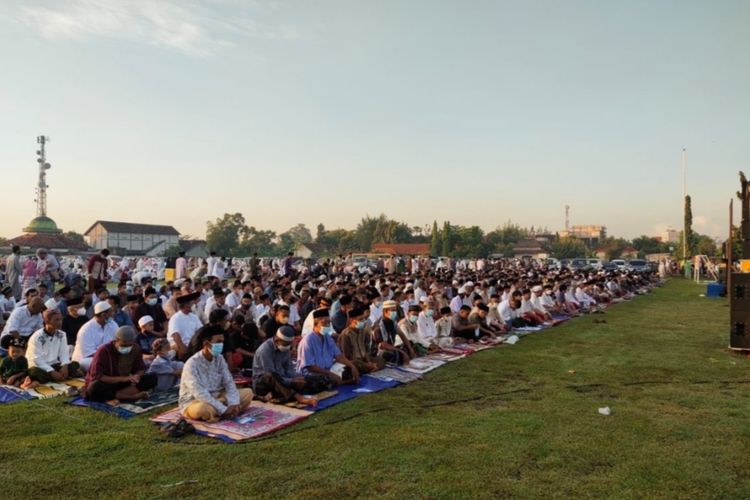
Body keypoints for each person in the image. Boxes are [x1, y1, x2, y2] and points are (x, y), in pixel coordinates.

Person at [178, 325, 254, 422]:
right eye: (218, 342)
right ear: (206, 344)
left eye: (222, 342)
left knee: (248, 393)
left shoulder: (219, 358)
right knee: (204, 409)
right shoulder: (191, 364)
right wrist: (223, 409)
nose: (221, 345)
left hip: (219, 396)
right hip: (196, 401)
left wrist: (233, 403)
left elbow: (229, 382)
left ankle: (224, 411)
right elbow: (199, 393)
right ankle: (222, 411)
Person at [83, 326, 157, 404]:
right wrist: (123, 378)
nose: (127, 347)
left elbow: (141, 368)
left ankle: (117, 396)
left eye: (130, 345)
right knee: (94, 387)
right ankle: (131, 396)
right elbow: (98, 376)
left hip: (125, 383)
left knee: (152, 378)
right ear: (116, 340)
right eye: (124, 345)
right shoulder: (104, 351)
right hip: (109, 384)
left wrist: (136, 376)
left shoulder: (136, 348)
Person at [252, 325, 323, 406]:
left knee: (311, 380)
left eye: (289, 344)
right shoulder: (265, 350)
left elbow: (289, 369)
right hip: (264, 385)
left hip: (283, 381)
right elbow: (271, 376)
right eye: (285, 344)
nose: (287, 347)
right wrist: (291, 381)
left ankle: (284, 395)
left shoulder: (285, 348)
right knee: (271, 376)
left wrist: (296, 378)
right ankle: (298, 397)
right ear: (277, 340)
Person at [296, 309, 359, 386]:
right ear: (316, 323)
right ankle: (340, 382)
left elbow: (339, 356)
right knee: (323, 380)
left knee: (350, 369)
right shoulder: (308, 340)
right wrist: (330, 374)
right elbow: (310, 367)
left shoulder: (327, 338)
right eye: (324, 323)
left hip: (328, 369)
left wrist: (352, 366)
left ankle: (340, 381)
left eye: (329, 323)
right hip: (312, 373)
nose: (328, 325)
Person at [24, 309, 83, 387]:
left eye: (61, 319)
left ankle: (56, 376)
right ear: (47, 321)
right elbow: (36, 359)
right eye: (56, 320)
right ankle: (54, 377)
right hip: (39, 367)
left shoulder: (62, 334)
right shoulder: (37, 337)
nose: (60, 322)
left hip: (54, 364)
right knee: (34, 373)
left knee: (74, 364)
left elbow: (64, 352)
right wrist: (51, 371)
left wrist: (64, 366)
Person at [72, 301, 118, 371]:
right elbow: (89, 353)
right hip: (86, 359)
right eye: (111, 312)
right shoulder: (86, 330)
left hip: (107, 356)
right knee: (94, 362)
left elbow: (118, 342)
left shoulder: (112, 324)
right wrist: (109, 357)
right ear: (103, 315)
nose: (113, 314)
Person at [337, 307, 384, 374]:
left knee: (381, 360)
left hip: (364, 359)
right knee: (355, 365)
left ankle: (371, 368)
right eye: (360, 319)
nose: (363, 321)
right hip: (353, 361)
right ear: (351, 320)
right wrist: (366, 364)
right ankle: (371, 368)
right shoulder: (346, 335)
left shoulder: (364, 332)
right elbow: (347, 356)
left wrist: (368, 361)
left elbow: (366, 349)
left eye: (363, 319)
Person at [372, 300, 414, 364]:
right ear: (385, 311)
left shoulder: (393, 322)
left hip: (392, 347)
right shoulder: (378, 325)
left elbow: (402, 335)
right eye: (393, 310)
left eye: (395, 310)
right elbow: (383, 345)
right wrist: (401, 352)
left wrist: (410, 349)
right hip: (382, 350)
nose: (395, 312)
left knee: (410, 344)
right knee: (394, 354)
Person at [167, 292, 203, 360]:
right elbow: (176, 336)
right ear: (186, 305)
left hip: (192, 343)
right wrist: (184, 348)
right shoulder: (175, 318)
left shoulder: (194, 317)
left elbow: (200, 330)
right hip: (178, 344)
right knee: (180, 347)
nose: (192, 305)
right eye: (190, 304)